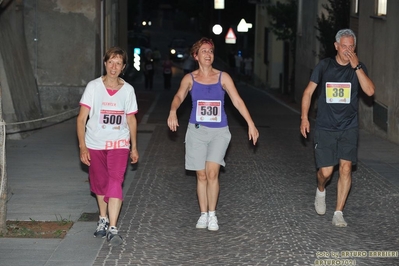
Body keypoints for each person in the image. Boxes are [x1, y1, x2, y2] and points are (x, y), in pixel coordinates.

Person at [167, 38, 259, 231]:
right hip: (197, 131)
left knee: (212, 172)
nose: (208, 54)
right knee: (201, 175)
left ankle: (212, 214)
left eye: (210, 51)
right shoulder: (189, 78)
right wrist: (173, 111)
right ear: (195, 56)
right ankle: (203, 214)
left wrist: (250, 123)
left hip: (219, 132)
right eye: (204, 51)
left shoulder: (223, 77)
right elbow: (179, 96)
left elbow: (237, 100)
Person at [300, 29, 375, 227]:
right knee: (326, 172)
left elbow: (370, 91)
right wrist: (304, 118)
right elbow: (308, 93)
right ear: (336, 46)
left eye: (351, 47)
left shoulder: (358, 67)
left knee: (346, 168)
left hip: (348, 127)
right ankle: (321, 189)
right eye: (344, 46)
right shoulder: (324, 66)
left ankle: (339, 212)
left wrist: (356, 67)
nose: (348, 50)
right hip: (325, 127)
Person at [77, 47, 139, 246]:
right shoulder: (93, 87)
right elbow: (81, 119)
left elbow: (131, 120)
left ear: (123, 67)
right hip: (95, 143)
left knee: (115, 181)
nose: (114, 67)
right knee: (100, 183)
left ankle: (113, 226)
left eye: (118, 63)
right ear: (105, 63)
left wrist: (134, 146)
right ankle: (102, 218)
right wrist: (83, 147)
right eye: (111, 62)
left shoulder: (128, 90)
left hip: (119, 144)